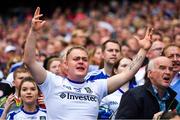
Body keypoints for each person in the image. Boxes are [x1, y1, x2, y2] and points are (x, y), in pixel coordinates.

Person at [23, 7, 153, 119]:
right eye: (76, 59)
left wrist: (144, 49)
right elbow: (29, 61)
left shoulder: (98, 86)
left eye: (84, 59)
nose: (81, 62)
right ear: (66, 64)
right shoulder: (52, 82)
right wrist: (33, 32)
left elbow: (127, 74)